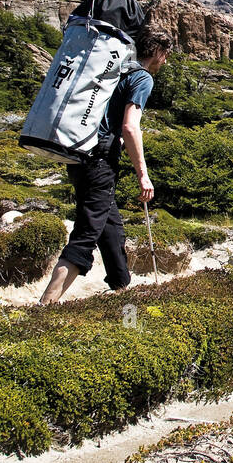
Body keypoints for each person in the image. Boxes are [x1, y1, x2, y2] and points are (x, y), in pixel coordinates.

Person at [39, 26, 173, 304]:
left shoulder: (113, 70)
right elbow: (129, 127)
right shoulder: (142, 78)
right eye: (166, 55)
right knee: (87, 233)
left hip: (80, 153)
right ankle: (45, 305)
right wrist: (143, 175)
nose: (166, 61)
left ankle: (121, 290)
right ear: (158, 52)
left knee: (110, 226)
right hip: (100, 160)